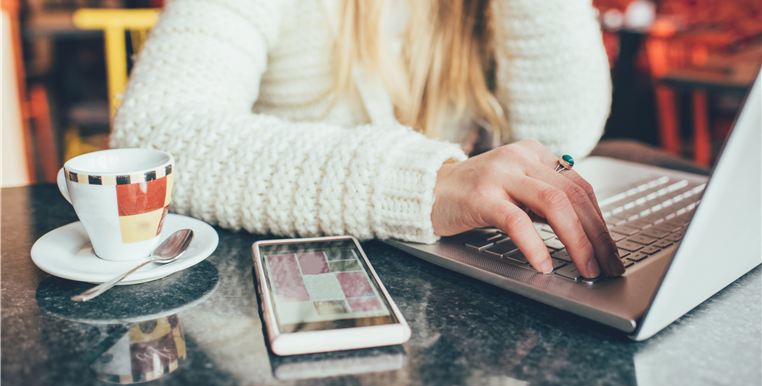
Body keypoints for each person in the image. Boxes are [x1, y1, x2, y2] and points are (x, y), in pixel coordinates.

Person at [111, 0, 625, 278]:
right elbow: (155, 134)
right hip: (296, 286)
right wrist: (427, 184)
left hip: (445, 287)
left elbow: (560, 143)